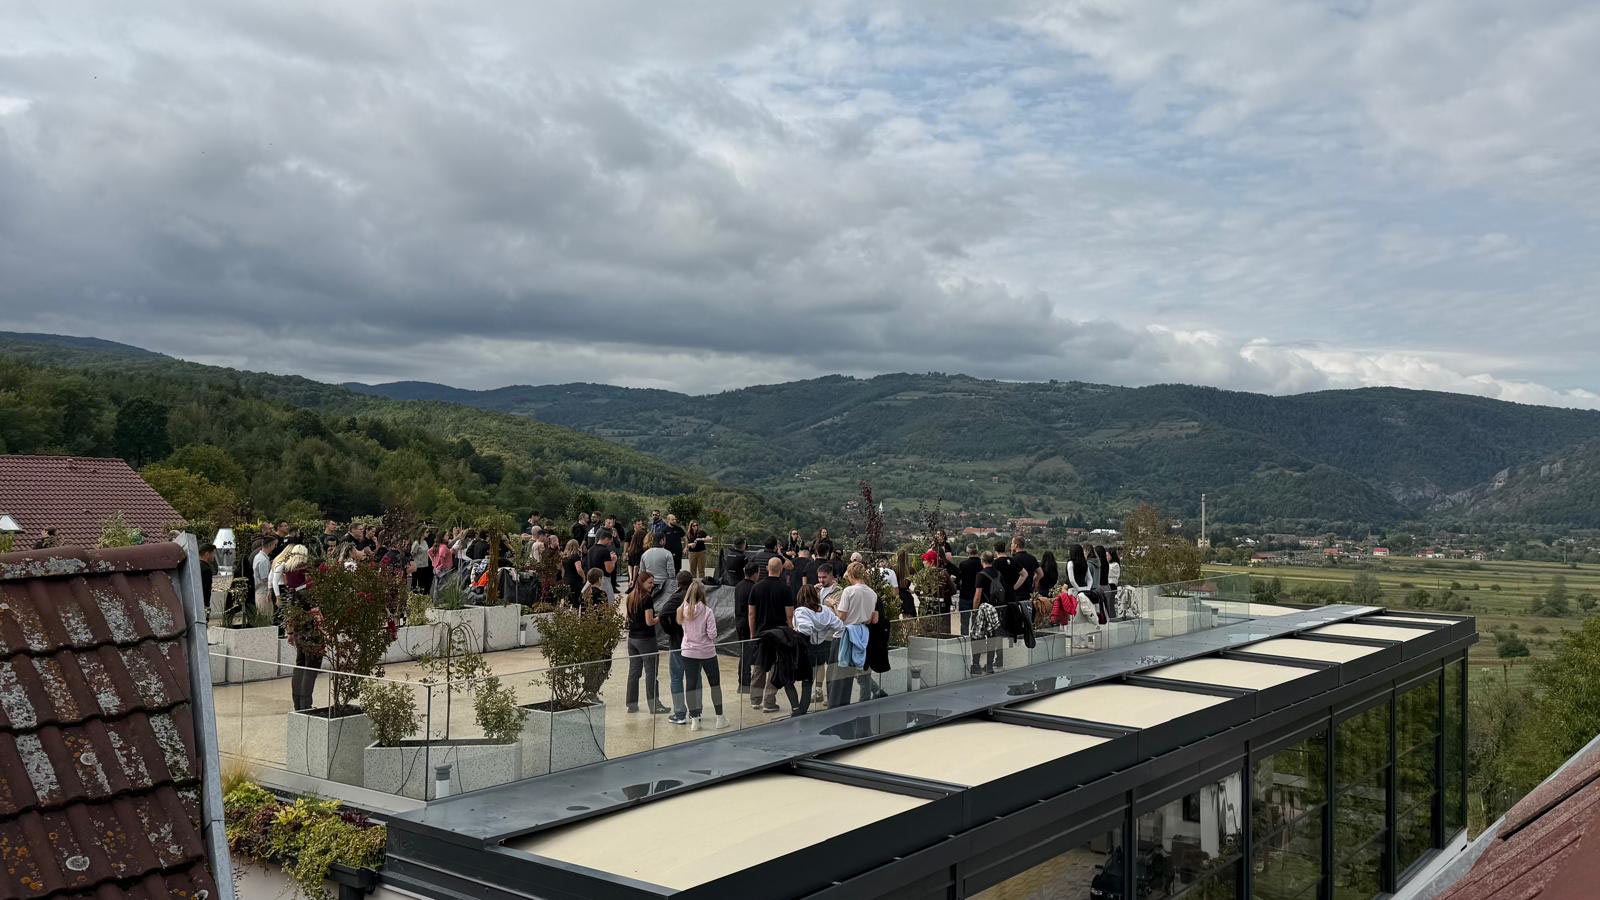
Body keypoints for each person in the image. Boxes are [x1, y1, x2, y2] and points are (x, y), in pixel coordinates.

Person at [827, 562, 879, 708]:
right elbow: (869, 619)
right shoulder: (872, 593)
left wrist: (833, 604)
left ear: (850, 575)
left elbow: (842, 616)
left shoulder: (849, 591)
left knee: (836, 677)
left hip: (844, 635)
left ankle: (834, 708)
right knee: (850, 676)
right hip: (862, 635)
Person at [677, 580, 728, 730]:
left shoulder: (682, 610)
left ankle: (694, 720)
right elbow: (712, 634)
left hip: (688, 651)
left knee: (691, 685)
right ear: (702, 594)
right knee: (714, 684)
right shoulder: (707, 611)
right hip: (707, 652)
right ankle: (720, 718)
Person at [747, 556, 795, 713]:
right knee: (775, 667)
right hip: (779, 634)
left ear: (767, 569)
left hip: (761, 633)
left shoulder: (756, 587)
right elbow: (789, 615)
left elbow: (751, 614)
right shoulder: (786, 589)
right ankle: (769, 701)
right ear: (781, 569)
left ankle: (755, 700)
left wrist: (753, 634)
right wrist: (791, 632)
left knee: (759, 666)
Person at [792, 584, 844, 716]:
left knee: (804, 680)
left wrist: (795, 632)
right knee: (817, 677)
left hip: (807, 649)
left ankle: (800, 709)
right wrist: (824, 629)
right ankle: (806, 708)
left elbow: (805, 629)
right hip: (823, 646)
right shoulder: (825, 610)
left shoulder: (801, 611)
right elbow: (839, 626)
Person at [624, 572, 668, 714]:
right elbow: (649, 621)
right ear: (642, 583)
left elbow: (628, 618)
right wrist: (659, 617)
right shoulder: (647, 598)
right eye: (649, 582)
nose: (652, 585)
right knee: (651, 673)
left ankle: (632, 704)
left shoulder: (630, 597)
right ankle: (654, 705)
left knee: (634, 673)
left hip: (632, 640)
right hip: (646, 640)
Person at [658, 571, 693, 725]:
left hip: (678, 643)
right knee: (694, 678)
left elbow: (663, 613)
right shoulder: (695, 596)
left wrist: (670, 631)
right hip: (694, 644)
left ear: (678, 583)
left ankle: (680, 713)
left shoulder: (677, 597)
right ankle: (695, 711)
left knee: (677, 678)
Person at [970, 551, 1005, 675]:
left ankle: (976, 664)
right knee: (992, 638)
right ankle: (989, 666)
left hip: (983, 609)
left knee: (977, 637)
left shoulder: (981, 575)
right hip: (996, 610)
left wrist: (974, 611)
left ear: (982, 560)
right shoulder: (998, 574)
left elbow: (978, 595)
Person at [733, 561, 761, 696]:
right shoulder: (754, 588)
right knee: (747, 654)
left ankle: (743, 682)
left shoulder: (738, 586)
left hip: (739, 621)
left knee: (743, 653)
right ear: (755, 573)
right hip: (748, 623)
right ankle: (744, 683)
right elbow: (753, 611)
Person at [585, 529, 619, 603]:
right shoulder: (605, 550)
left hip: (591, 580)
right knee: (608, 603)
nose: (610, 543)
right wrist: (613, 561)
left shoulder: (590, 550)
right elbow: (609, 569)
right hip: (603, 580)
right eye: (610, 541)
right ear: (606, 539)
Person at [251, 535, 278, 626]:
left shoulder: (259, 556)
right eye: (274, 545)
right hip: (263, 591)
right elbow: (264, 578)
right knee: (266, 616)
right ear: (270, 545)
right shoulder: (263, 560)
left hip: (260, 590)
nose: (275, 547)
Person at [956, 544, 982, 636]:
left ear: (968, 552)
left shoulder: (963, 564)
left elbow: (957, 580)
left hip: (965, 595)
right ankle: (976, 640)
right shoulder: (982, 564)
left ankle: (964, 641)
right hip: (979, 596)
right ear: (977, 551)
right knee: (977, 623)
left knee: (964, 623)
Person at [639, 534, 675, 599]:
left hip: (649, 583)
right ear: (662, 541)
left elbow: (642, 571)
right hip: (663, 584)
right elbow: (671, 571)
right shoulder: (667, 553)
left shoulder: (645, 554)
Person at [1012, 536, 1040, 602]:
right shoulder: (1032, 558)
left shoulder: (1014, 559)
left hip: (1017, 593)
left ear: (1016, 545)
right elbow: (1040, 573)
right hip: (1029, 592)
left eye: (1012, 543)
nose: (1011, 545)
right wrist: (1034, 581)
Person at [410, 528, 434, 595]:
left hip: (425, 566)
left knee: (423, 584)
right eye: (426, 532)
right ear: (422, 533)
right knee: (416, 584)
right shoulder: (416, 543)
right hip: (417, 566)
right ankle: (414, 599)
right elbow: (412, 554)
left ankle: (421, 599)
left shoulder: (425, 542)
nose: (428, 533)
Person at [561, 539, 586, 604]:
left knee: (568, 601)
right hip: (575, 581)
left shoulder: (564, 557)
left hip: (566, 579)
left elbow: (563, 570)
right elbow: (579, 569)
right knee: (576, 600)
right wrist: (583, 578)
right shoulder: (575, 556)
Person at [198, 543, 217, 610]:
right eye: (213, 553)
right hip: (202, 605)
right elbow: (206, 590)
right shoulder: (206, 569)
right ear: (207, 554)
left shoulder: (196, 565)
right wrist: (206, 605)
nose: (214, 556)